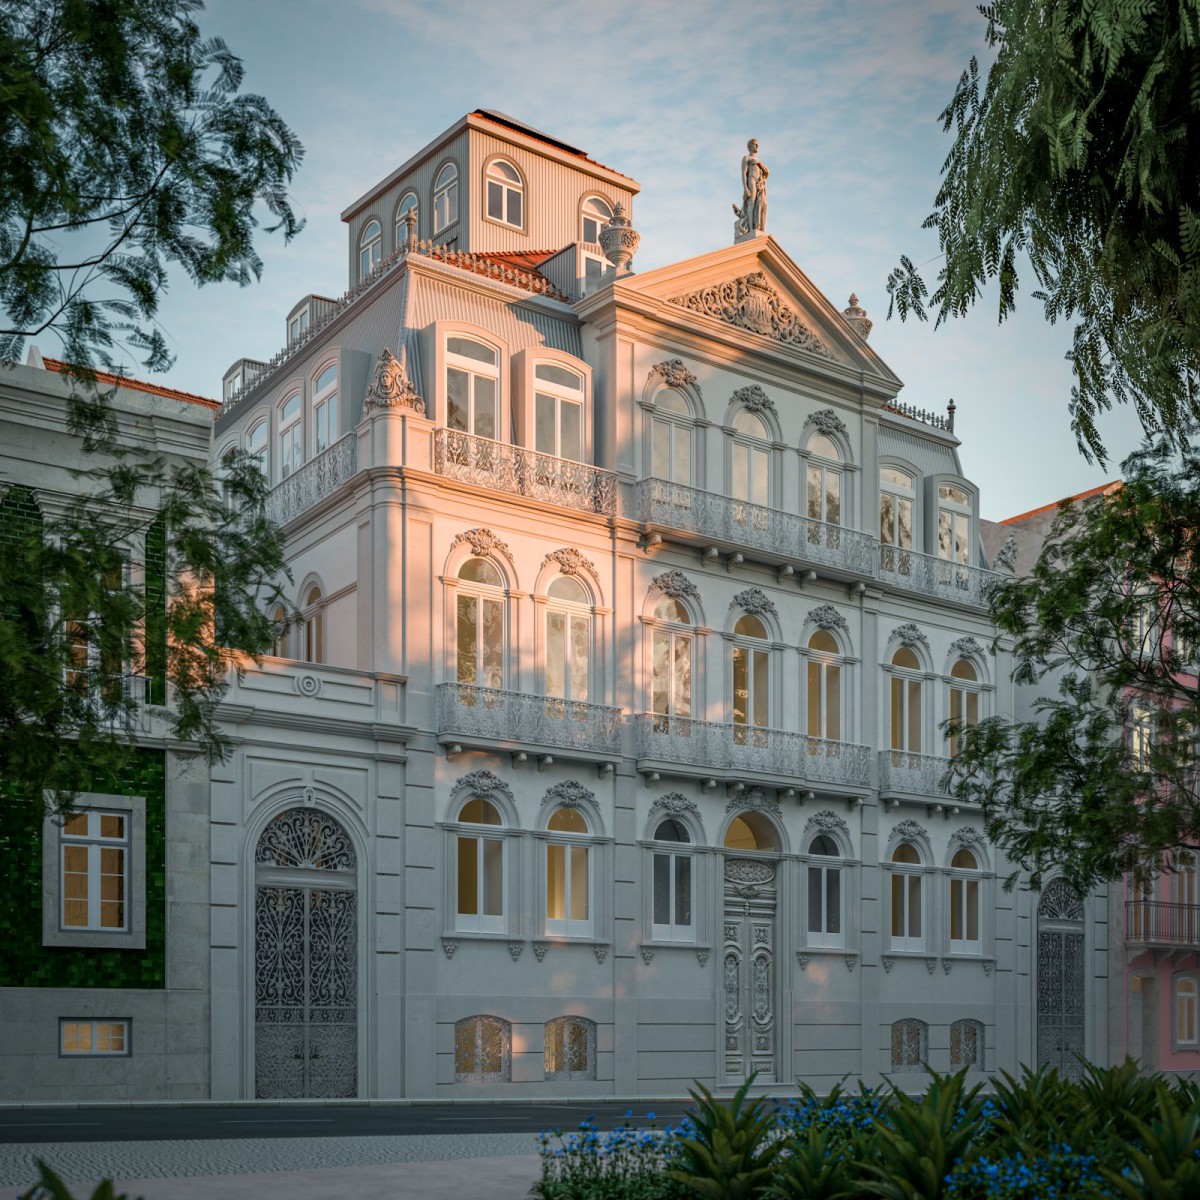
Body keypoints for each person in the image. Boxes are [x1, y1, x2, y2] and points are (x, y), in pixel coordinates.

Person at [733, 138, 768, 237]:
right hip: (751, 179)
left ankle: (761, 228)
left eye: (757, 145)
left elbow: (767, 172)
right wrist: (745, 188)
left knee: (764, 205)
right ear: (749, 147)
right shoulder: (746, 158)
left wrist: (759, 163)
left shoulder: (760, 162)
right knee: (751, 202)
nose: (757, 146)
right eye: (755, 144)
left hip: (759, 183)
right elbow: (744, 173)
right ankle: (752, 229)